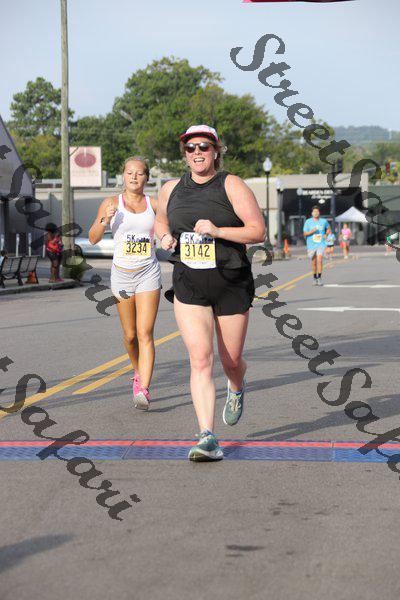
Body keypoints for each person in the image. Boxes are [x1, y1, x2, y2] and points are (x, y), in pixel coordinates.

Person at [155, 125, 265, 462]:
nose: (197, 152)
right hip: (189, 282)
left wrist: (218, 230)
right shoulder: (171, 188)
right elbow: (161, 220)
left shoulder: (231, 184)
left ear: (216, 151)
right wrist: (164, 237)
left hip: (230, 280)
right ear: (184, 154)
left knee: (230, 361)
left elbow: (257, 231)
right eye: (191, 148)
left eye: (204, 146)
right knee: (201, 359)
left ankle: (236, 385)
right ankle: (207, 437)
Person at [88, 156, 161, 410]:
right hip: (121, 275)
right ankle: (137, 372)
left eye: (139, 173)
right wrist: (105, 220)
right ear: (123, 176)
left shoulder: (155, 204)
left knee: (145, 333)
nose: (134, 177)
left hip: (148, 273)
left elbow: (167, 229)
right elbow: (93, 238)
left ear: (146, 177)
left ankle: (144, 389)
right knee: (130, 336)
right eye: (129, 173)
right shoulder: (111, 203)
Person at [303, 206, 331, 286]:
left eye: (317, 211)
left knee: (319, 260)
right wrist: (312, 231)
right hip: (311, 245)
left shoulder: (324, 221)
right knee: (314, 262)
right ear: (312, 213)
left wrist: (326, 234)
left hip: (321, 244)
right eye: (314, 212)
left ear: (319, 213)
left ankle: (319, 278)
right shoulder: (308, 222)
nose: (316, 213)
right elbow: (305, 233)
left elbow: (328, 228)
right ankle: (314, 278)